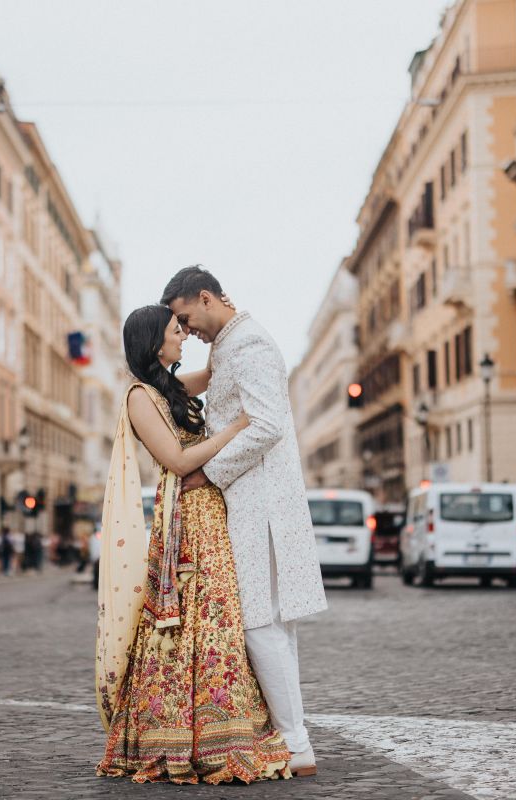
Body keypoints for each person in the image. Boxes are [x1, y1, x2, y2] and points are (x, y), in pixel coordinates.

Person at [96, 303, 291, 784]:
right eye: (174, 330)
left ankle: (222, 727)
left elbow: (219, 368)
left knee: (219, 619)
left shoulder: (170, 387)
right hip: (185, 519)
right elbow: (179, 461)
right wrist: (237, 428)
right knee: (188, 624)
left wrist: (234, 328)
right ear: (152, 341)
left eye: (183, 327)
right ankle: (181, 735)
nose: (182, 335)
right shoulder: (141, 396)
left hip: (211, 514)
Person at [163, 266, 327, 776]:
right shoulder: (229, 346)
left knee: (260, 622)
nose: (186, 331)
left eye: (186, 318)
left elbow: (268, 425)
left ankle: (296, 742)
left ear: (207, 298)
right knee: (271, 624)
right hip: (255, 501)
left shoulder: (249, 345)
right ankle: (290, 735)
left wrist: (207, 473)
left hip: (263, 505)